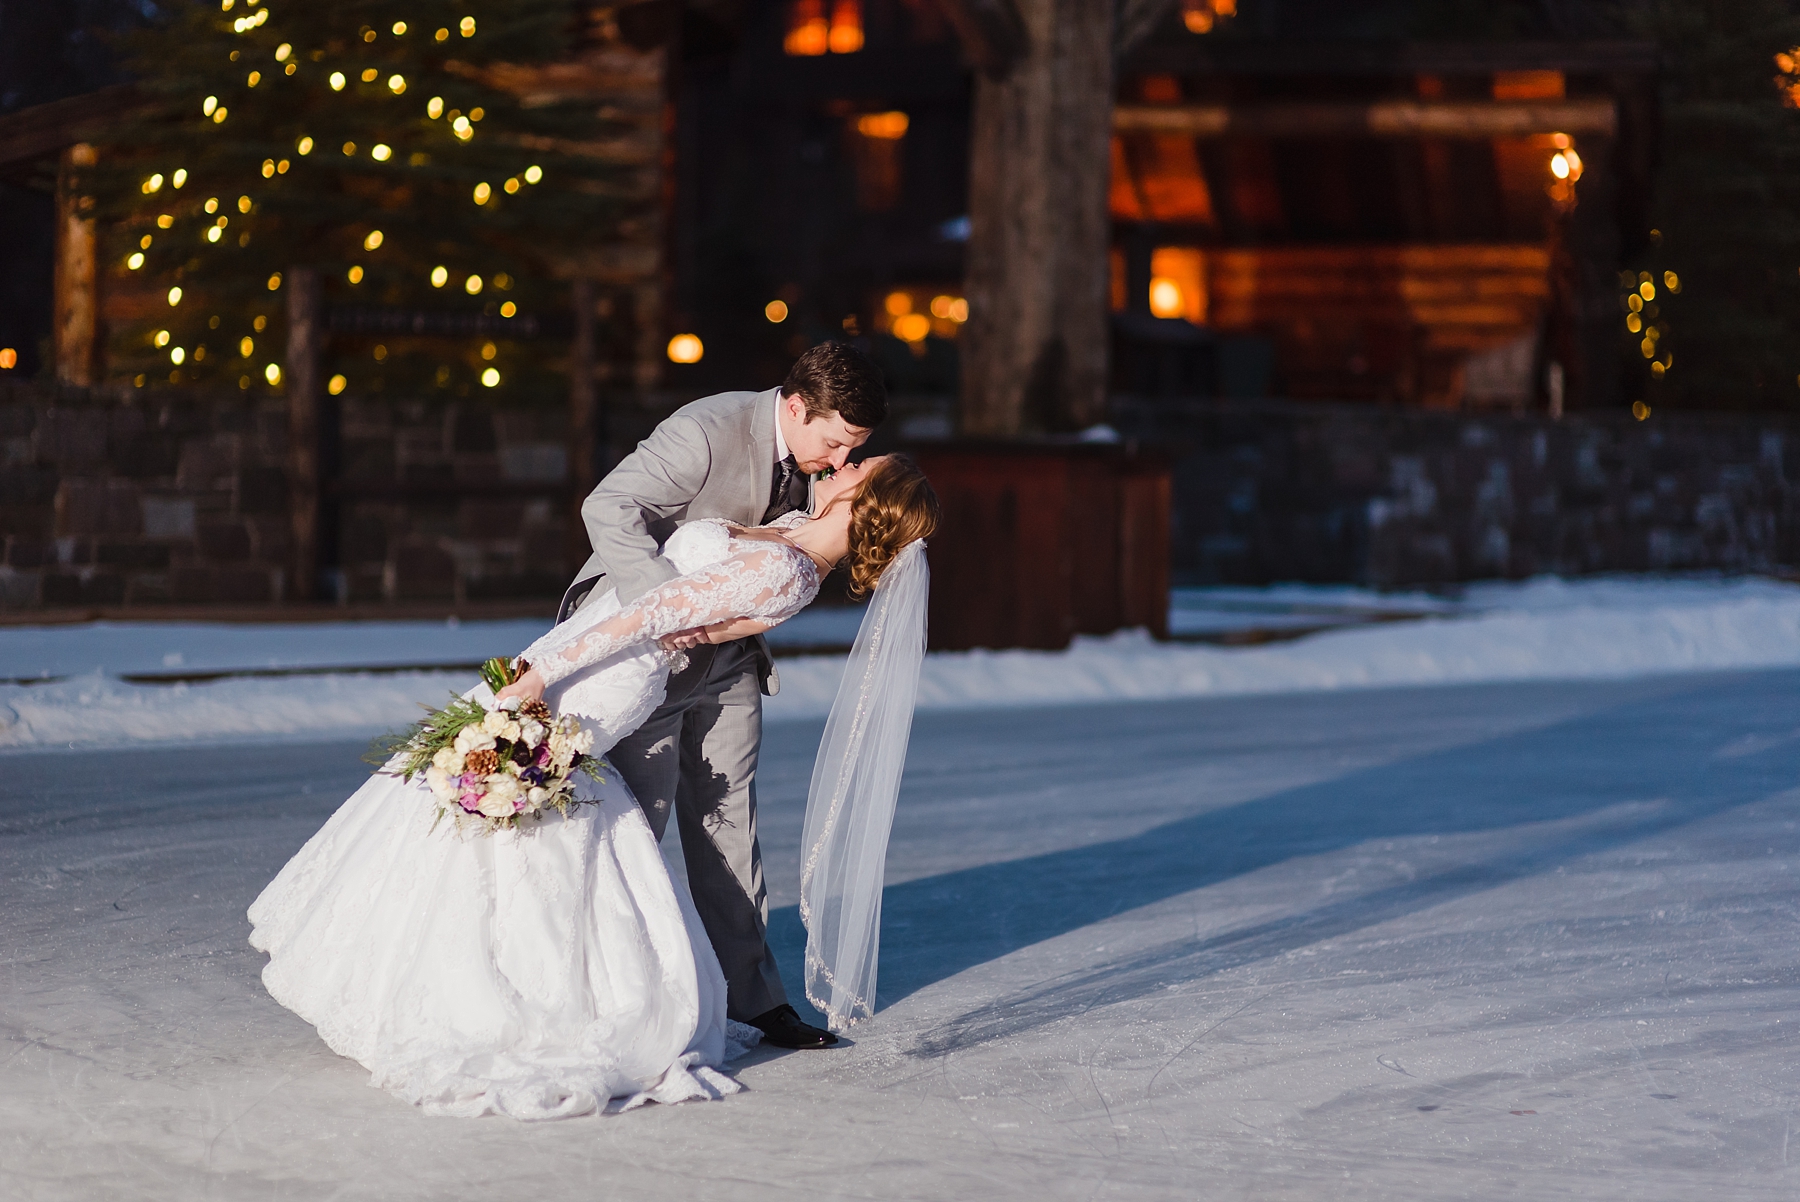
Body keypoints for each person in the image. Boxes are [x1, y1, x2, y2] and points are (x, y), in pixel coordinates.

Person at [247, 453, 940, 1119]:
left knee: (518, 798)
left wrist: (549, 671)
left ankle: (513, 992)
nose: (839, 465)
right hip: (594, 643)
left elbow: (654, 614)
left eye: (857, 468)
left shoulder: (785, 568)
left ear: (860, 500)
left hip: (608, 668)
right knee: (499, 783)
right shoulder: (790, 538)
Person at [553, 342, 888, 1051]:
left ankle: (756, 1000)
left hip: (730, 659)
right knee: (633, 821)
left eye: (850, 451)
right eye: (831, 443)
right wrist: (663, 614)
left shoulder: (816, 464)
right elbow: (608, 505)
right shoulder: (706, 431)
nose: (833, 463)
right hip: (643, 650)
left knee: (730, 822)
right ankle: (612, 995)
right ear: (796, 406)